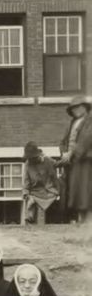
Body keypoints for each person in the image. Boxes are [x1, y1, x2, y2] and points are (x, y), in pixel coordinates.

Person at [58, 94, 92, 223]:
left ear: (85, 107)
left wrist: (71, 153)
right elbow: (63, 141)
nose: (75, 110)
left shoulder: (90, 121)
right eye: (73, 108)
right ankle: (79, 219)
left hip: (85, 160)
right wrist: (64, 153)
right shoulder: (71, 123)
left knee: (85, 191)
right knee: (74, 192)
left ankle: (88, 221)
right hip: (72, 162)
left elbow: (86, 140)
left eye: (78, 107)